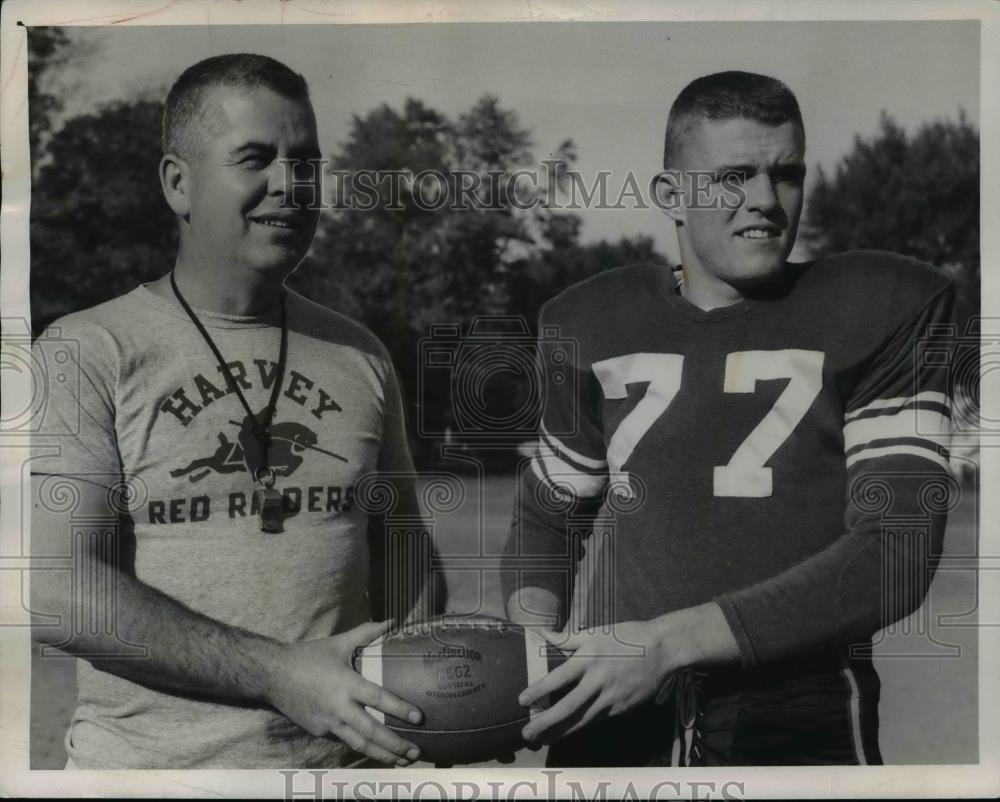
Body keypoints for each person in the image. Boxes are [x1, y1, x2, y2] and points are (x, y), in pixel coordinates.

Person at [501, 70, 956, 766]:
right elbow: (549, 514)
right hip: (616, 710)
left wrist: (667, 643)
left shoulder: (883, 305)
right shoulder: (590, 320)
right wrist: (531, 647)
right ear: (671, 196)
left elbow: (894, 552)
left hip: (798, 712)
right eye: (734, 176)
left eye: (787, 173)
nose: (767, 201)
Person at [30, 54, 435, 770]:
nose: (290, 184)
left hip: (344, 777)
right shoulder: (85, 350)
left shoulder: (359, 353)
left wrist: (438, 700)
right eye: (255, 158)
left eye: (306, 161)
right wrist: (279, 673)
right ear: (178, 183)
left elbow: (407, 560)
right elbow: (62, 590)